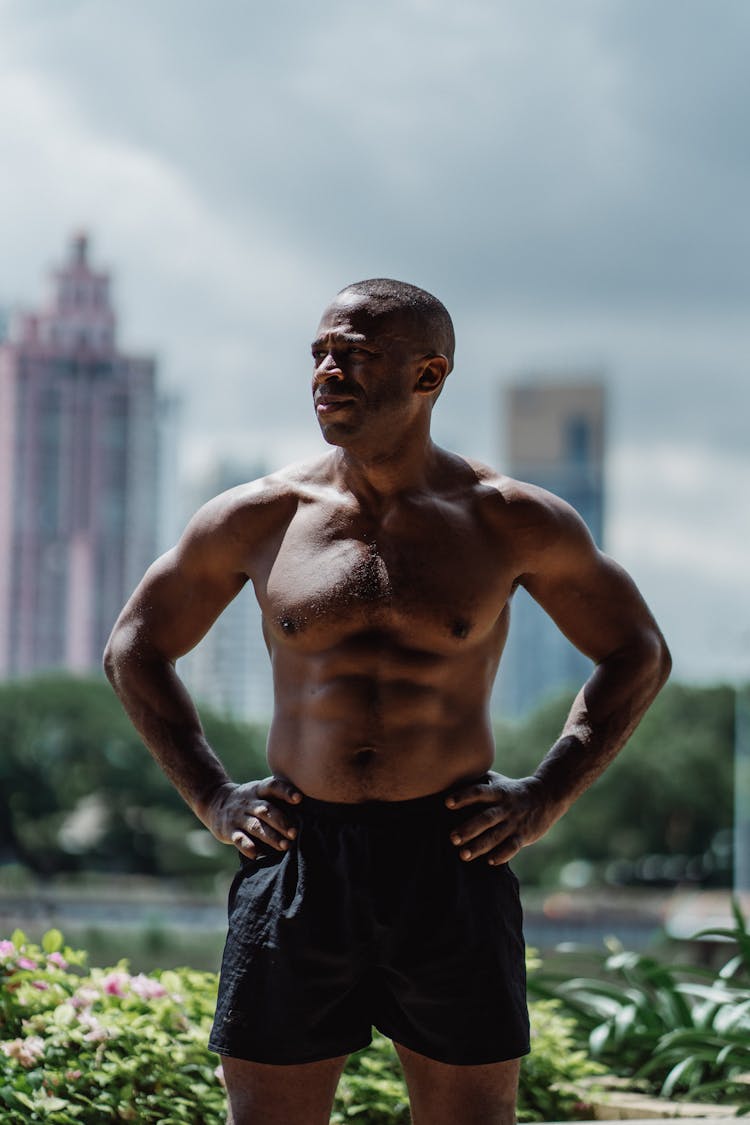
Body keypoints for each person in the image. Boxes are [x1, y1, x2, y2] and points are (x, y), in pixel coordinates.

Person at [104, 279, 670, 1125]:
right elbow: (135, 647)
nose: (328, 372)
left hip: (453, 855)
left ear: (428, 374)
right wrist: (214, 795)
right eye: (320, 354)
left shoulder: (506, 519)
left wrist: (545, 793)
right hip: (299, 852)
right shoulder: (260, 516)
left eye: (356, 355)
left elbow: (638, 652)